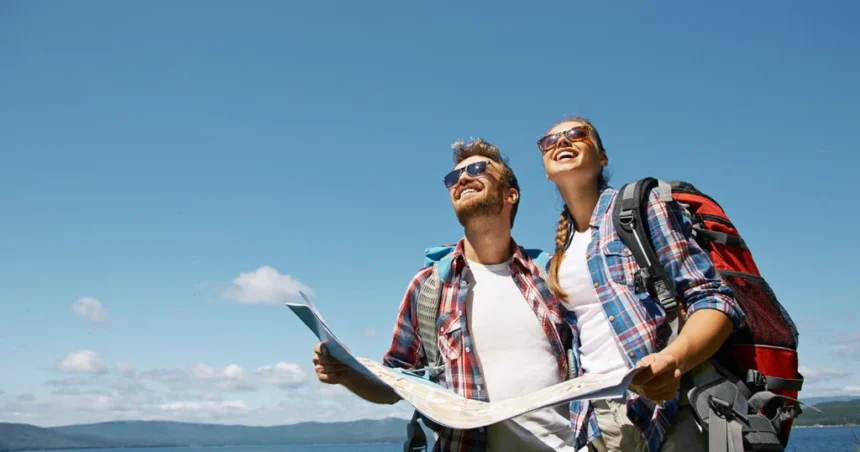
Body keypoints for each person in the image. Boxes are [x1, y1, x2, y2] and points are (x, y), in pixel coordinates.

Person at [312, 139, 578, 451]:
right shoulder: (428, 286)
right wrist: (347, 373)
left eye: (476, 169)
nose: (461, 179)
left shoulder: (552, 275)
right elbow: (397, 383)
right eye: (454, 177)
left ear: (511, 195)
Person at [536, 117, 746, 452]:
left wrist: (673, 360)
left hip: (669, 407)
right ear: (546, 169)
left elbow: (714, 300)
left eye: (577, 134)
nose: (562, 141)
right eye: (549, 141)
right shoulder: (557, 256)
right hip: (596, 419)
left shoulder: (641, 208)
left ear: (603, 157)